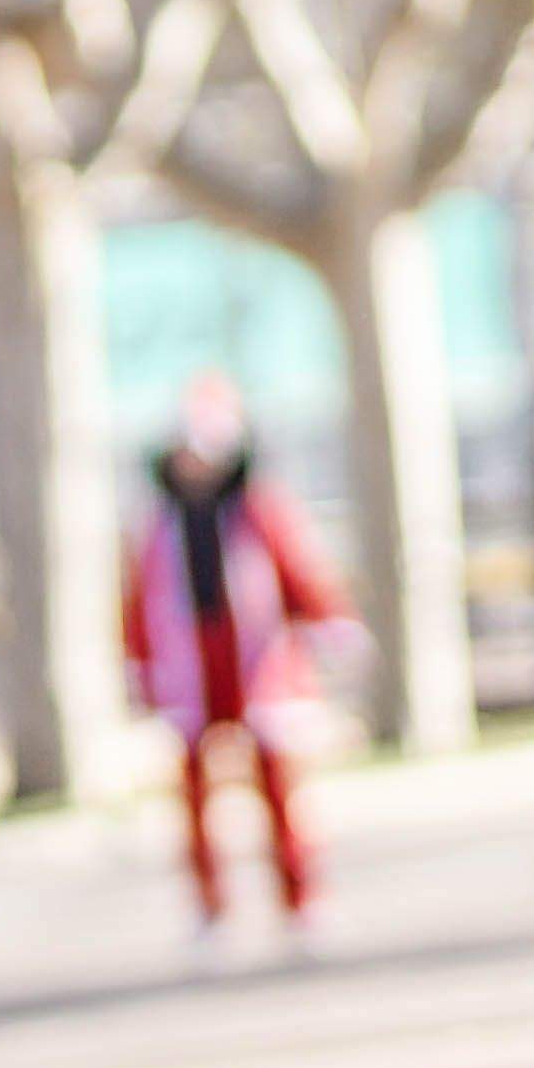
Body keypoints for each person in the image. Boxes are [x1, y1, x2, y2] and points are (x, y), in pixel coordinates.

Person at [126, 370, 348, 930]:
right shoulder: (156, 523)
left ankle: (299, 894)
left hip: (256, 657)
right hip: (189, 661)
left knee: (277, 780)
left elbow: (299, 570)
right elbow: (136, 597)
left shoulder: (259, 511)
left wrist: (328, 620)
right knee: (194, 790)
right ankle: (209, 902)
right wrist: (139, 663)